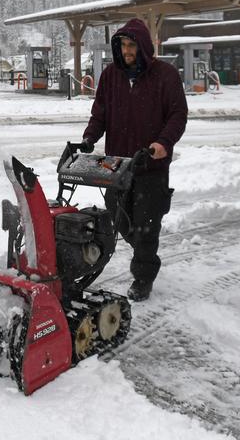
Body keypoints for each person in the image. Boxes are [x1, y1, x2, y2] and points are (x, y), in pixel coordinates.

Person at [81, 18, 188, 302]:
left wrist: (163, 144)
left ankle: (143, 276)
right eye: (123, 45)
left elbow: (178, 115)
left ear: (142, 46)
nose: (127, 51)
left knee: (146, 224)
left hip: (150, 165)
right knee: (120, 218)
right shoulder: (110, 77)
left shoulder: (165, 75)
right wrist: (89, 138)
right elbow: (99, 114)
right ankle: (141, 247)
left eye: (131, 45)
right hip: (117, 166)